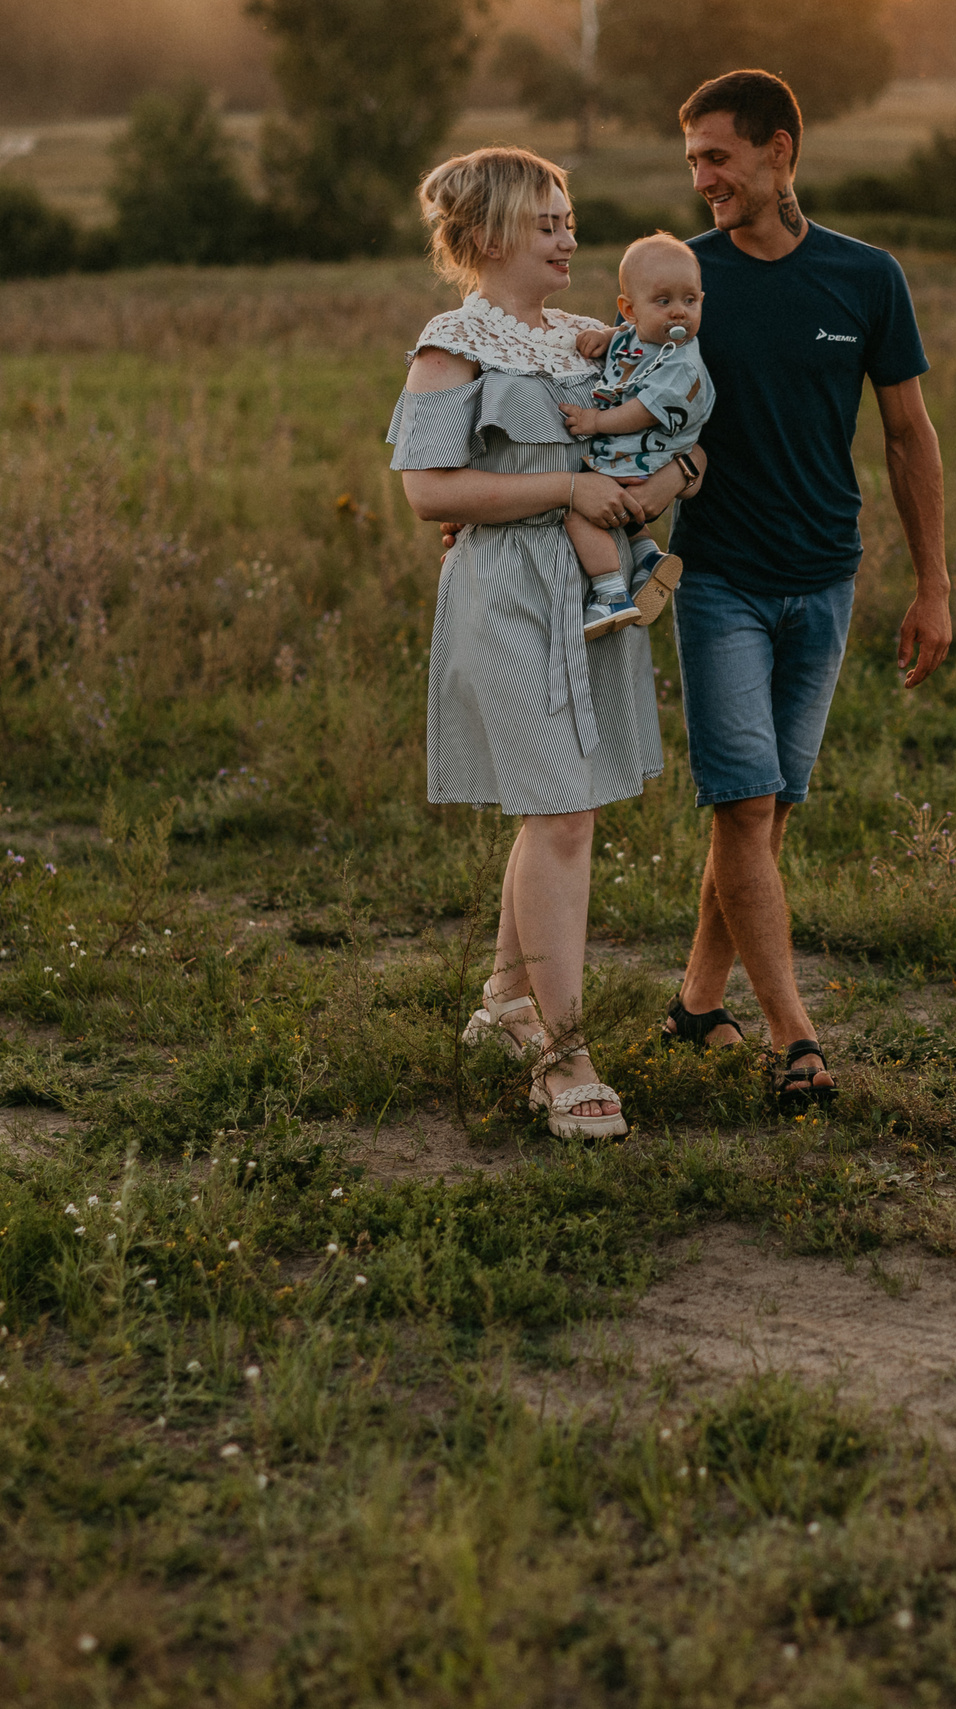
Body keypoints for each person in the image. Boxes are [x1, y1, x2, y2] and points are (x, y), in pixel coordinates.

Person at [386, 147, 701, 1142]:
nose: (570, 238)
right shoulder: (452, 346)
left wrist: (678, 472)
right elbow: (429, 491)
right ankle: (562, 1057)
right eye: (548, 223)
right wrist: (563, 488)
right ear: (487, 237)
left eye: (571, 220)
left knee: (564, 809)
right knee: (561, 812)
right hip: (505, 592)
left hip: (589, 588)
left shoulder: (595, 340)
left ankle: (505, 1005)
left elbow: (682, 409)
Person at [658, 70, 953, 1107]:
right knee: (744, 805)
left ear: (779, 150)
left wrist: (933, 585)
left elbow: (908, 434)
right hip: (719, 580)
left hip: (826, 578)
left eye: (717, 156)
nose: (701, 179)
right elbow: (595, 383)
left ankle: (696, 1003)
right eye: (692, 158)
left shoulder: (865, 277)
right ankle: (796, 1036)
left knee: (767, 812)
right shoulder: (681, 281)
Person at [559, 232, 710, 640]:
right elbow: (630, 342)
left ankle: (610, 593)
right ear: (629, 310)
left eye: (690, 301)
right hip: (637, 459)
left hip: (644, 459)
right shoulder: (639, 336)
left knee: (579, 509)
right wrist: (609, 337)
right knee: (616, 512)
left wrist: (594, 422)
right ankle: (645, 556)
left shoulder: (683, 364)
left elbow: (642, 411)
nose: (679, 313)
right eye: (664, 302)